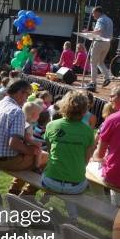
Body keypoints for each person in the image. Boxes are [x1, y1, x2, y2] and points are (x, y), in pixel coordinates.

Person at [41, 91, 96, 220]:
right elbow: (86, 161)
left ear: (63, 106)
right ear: (85, 109)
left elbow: (50, 152)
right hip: (76, 185)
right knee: (70, 187)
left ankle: (42, 202)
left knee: (50, 173)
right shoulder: (88, 131)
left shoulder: (51, 125)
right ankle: (73, 218)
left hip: (50, 181)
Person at [0, 79, 40, 195]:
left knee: (33, 157)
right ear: (20, 92)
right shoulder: (17, 112)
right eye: (27, 95)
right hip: (7, 161)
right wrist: (31, 150)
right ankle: (25, 195)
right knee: (44, 158)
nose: (27, 99)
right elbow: (14, 144)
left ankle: (15, 191)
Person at [85, 6, 113, 91]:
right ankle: (107, 77)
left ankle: (93, 83)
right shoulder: (109, 19)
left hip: (99, 42)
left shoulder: (100, 19)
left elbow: (99, 31)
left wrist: (88, 32)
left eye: (93, 13)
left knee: (93, 62)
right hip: (107, 43)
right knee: (100, 62)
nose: (93, 15)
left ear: (98, 12)